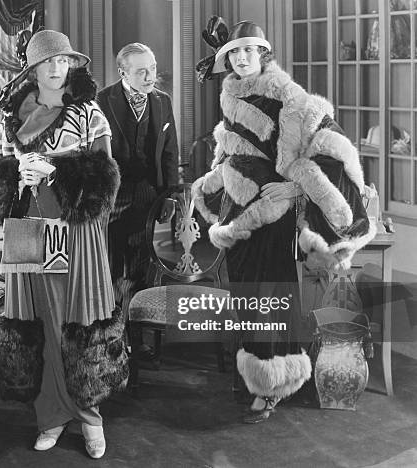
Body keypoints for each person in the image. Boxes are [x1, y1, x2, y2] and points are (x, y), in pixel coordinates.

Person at [192, 19, 375, 423]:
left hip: (271, 215)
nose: (241, 58)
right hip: (236, 212)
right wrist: (212, 179)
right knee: (246, 296)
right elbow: (232, 148)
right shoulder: (230, 93)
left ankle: (272, 385)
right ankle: (254, 374)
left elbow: (328, 146)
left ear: (264, 53)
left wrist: (294, 190)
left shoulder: (290, 97)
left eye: (248, 50)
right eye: (234, 53)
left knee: (270, 296)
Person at [0, 30, 127, 459]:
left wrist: (56, 174)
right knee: (38, 321)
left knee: (74, 318)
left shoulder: (88, 114)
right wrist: (14, 176)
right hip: (27, 227)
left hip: (73, 229)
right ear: (33, 69)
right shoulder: (10, 115)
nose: (58, 69)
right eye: (49, 63)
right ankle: (50, 416)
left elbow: (106, 178)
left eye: (64, 62)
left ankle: (89, 417)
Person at [97, 43, 179, 313]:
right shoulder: (102, 101)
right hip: (115, 194)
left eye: (153, 68)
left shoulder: (162, 101)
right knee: (112, 263)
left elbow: (170, 153)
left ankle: (139, 330)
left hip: (149, 192)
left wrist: (169, 196)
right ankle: (113, 326)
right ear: (123, 73)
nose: (150, 77)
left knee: (144, 264)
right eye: (142, 71)